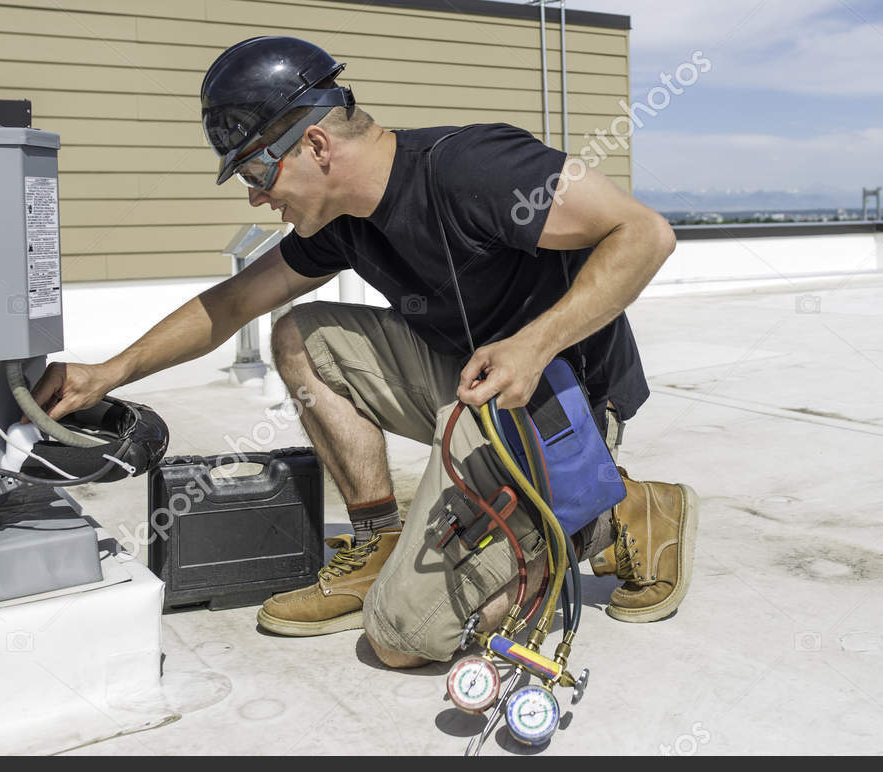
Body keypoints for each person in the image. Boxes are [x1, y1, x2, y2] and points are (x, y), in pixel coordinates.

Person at [34, 35, 698, 667]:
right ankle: (379, 544)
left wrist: (533, 344)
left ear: (315, 143)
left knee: (405, 637)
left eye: (258, 169)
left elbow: (644, 234)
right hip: (471, 389)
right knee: (300, 334)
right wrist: (108, 371)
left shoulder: (472, 167)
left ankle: (622, 510)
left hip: (558, 404)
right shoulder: (342, 222)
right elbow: (233, 304)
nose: (257, 195)